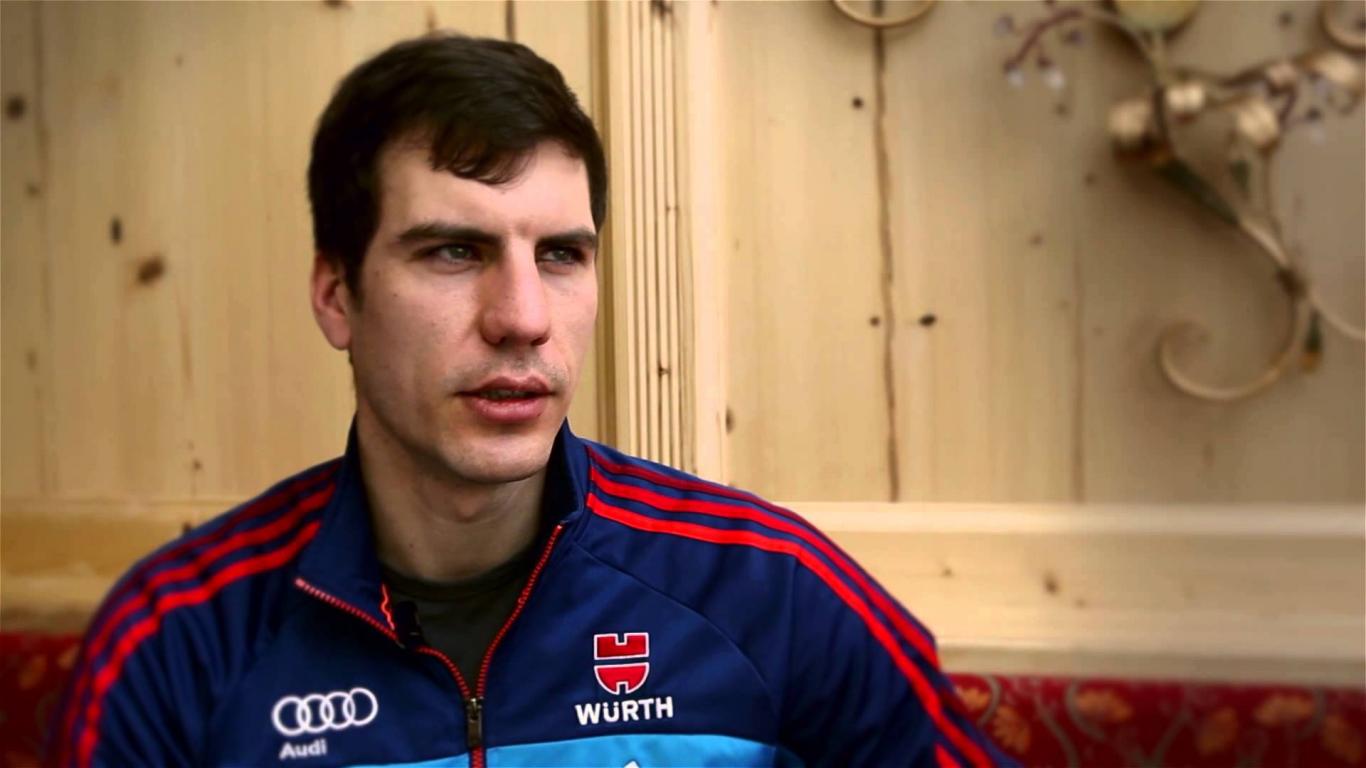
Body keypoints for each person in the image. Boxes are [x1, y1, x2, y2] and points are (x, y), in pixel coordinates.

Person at [51, 33, 1012, 768]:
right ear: (337, 294)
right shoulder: (178, 643)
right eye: (453, 251)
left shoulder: (768, 590)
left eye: (560, 254)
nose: (523, 318)